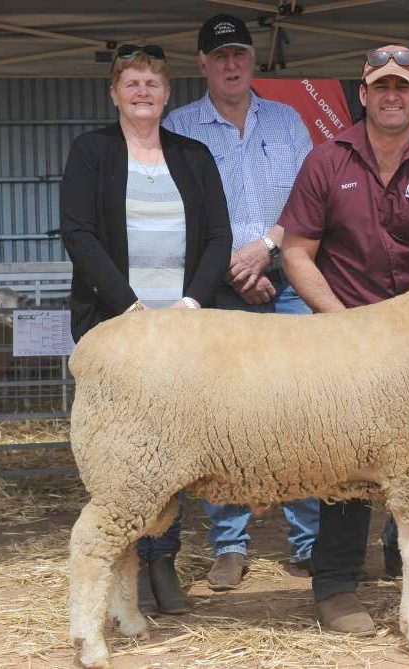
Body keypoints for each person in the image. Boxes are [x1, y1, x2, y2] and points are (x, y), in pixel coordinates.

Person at [280, 44, 409, 635]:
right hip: (342, 331)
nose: (391, 96)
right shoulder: (326, 161)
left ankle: (404, 556)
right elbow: (296, 251)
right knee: (347, 463)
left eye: (403, 87)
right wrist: (341, 321)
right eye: (380, 87)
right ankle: (336, 583)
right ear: (363, 95)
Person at [60, 44, 232, 614]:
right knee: (124, 457)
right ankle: (122, 568)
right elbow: (79, 234)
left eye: (152, 85)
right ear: (114, 93)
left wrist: (190, 302)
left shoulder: (193, 155)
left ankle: (163, 563)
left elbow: (217, 238)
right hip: (118, 329)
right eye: (131, 84)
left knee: (176, 450)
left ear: (167, 95)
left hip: (182, 331)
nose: (141, 93)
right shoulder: (92, 153)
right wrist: (128, 308)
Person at [161, 14, 320, 591]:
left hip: (289, 276)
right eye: (219, 55)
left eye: (240, 54)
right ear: (201, 64)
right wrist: (235, 265)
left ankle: (310, 543)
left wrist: (269, 250)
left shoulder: (288, 121)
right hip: (220, 284)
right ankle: (229, 544)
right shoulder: (180, 126)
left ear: (254, 60)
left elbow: (309, 201)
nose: (231, 64)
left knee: (305, 410)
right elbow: (183, 211)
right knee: (224, 417)